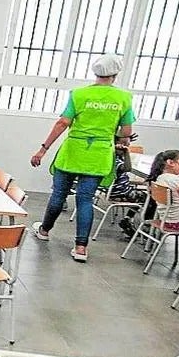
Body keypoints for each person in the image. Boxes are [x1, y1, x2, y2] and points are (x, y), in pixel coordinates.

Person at [29, 54, 134, 263]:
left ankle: (44, 230)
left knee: (59, 194)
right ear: (115, 74)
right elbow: (126, 131)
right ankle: (81, 248)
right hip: (99, 154)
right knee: (85, 199)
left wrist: (43, 149)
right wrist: (120, 141)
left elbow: (62, 123)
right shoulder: (124, 98)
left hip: (73, 151)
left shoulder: (79, 94)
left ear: (95, 72)